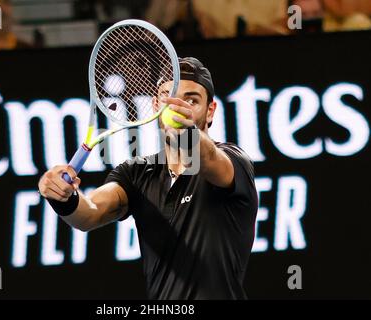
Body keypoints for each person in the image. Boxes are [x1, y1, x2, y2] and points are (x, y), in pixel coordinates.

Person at [38, 57, 258, 299]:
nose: (177, 106)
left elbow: (207, 158)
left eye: (191, 100)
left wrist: (187, 135)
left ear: (210, 111)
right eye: (168, 97)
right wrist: (64, 197)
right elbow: (89, 214)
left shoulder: (234, 161)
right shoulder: (136, 174)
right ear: (155, 106)